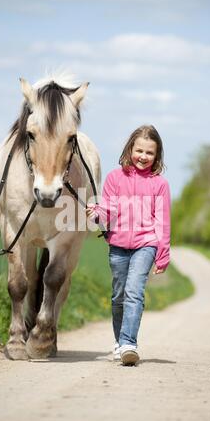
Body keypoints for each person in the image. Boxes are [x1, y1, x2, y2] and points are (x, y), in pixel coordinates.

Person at [86, 125, 171, 366]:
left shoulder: (160, 185)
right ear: (130, 149)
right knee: (119, 296)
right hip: (118, 246)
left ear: (157, 156)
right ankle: (119, 342)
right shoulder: (115, 178)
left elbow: (162, 221)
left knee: (134, 292)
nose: (143, 157)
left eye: (149, 153)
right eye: (139, 151)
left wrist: (162, 254)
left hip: (147, 244)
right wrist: (96, 213)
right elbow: (109, 209)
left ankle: (128, 343)